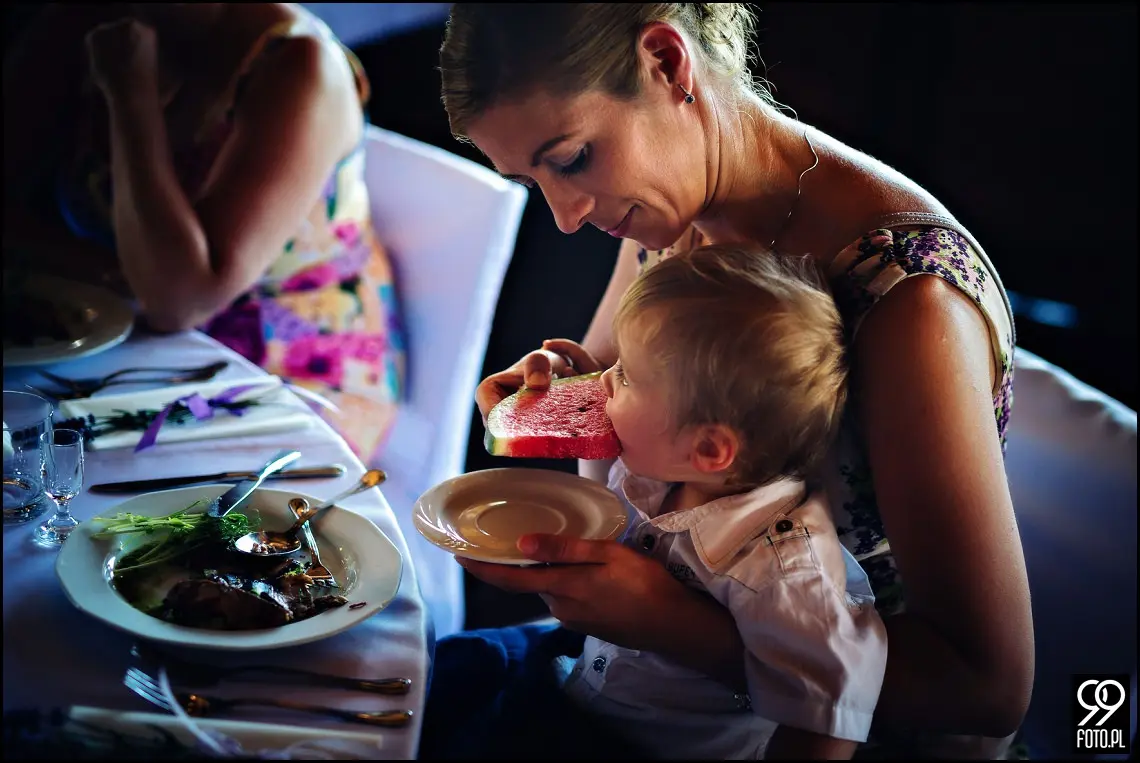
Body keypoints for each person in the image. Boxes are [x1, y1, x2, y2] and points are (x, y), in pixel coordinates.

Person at [438, 3, 1034, 758]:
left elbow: (985, 687)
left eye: (572, 158)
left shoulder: (909, 296)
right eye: (532, 179)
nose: (565, 215)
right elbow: (613, 390)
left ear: (666, 62)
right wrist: (557, 389)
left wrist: (673, 626)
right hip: (640, 677)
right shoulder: (678, 213)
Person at [423, 244, 887, 759]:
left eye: (625, 375)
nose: (604, 378)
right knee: (438, 668)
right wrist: (561, 384)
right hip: (577, 676)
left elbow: (827, 718)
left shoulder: (787, 568)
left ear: (709, 448)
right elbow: (590, 459)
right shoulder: (661, 462)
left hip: (639, 746)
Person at [2, 3, 405, 462]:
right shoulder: (81, 22)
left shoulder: (297, 65)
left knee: (64, 474)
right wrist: (122, 275)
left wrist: (132, 104)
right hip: (123, 339)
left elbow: (180, 302)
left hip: (288, 370)